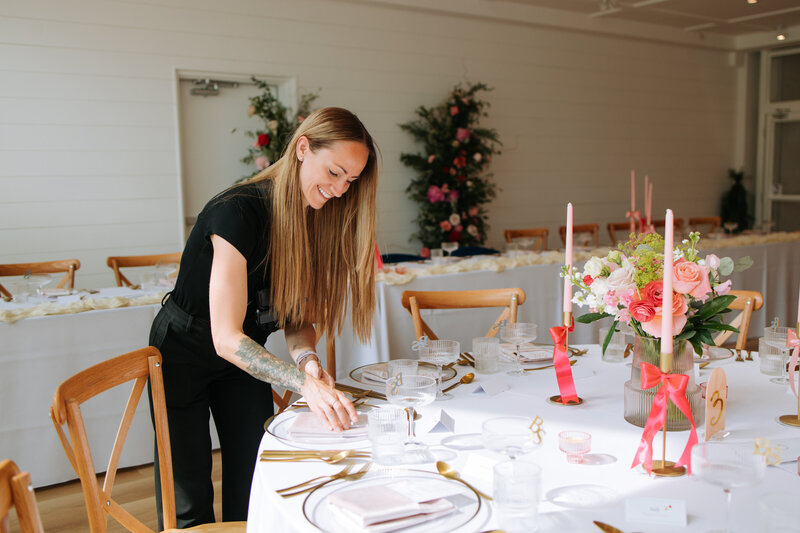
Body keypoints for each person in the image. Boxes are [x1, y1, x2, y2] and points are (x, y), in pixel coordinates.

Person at [148, 107, 378, 528]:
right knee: (188, 490)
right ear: (302, 149)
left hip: (245, 355)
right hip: (184, 350)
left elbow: (297, 319)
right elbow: (225, 337)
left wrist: (307, 361)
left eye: (350, 180)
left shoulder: (313, 220)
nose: (341, 190)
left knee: (252, 473)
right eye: (335, 172)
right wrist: (300, 382)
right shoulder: (237, 212)